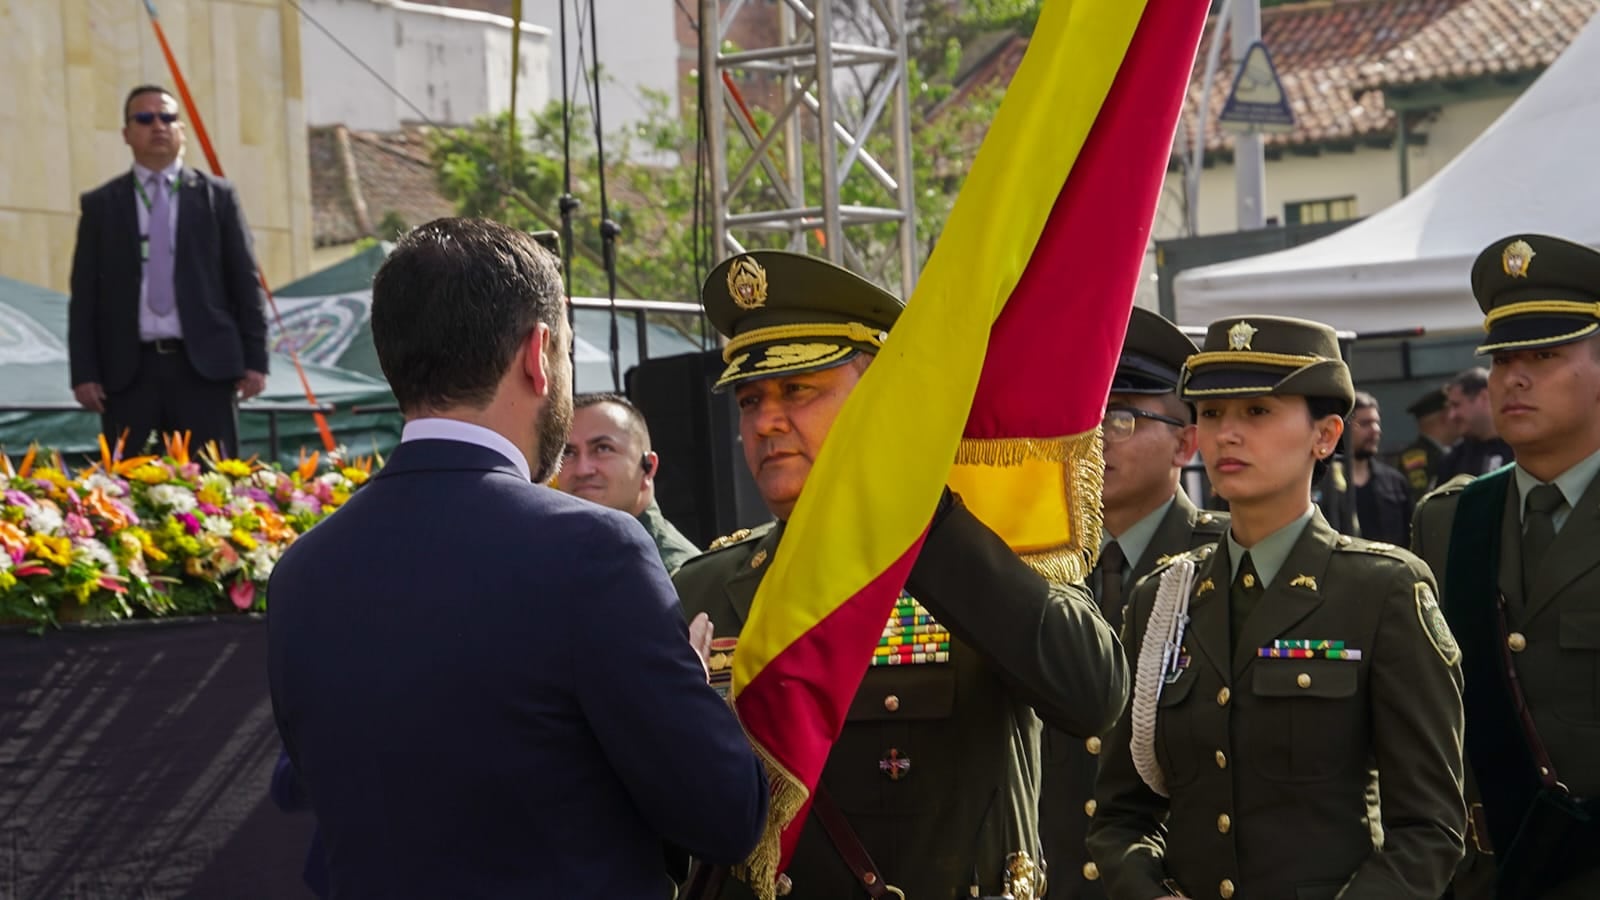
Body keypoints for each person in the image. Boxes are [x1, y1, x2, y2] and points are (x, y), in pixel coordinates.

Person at [267, 218, 768, 897]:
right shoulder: (594, 552)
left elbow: (307, 790)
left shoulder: (303, 573)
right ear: (539, 354)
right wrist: (694, 681)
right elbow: (725, 815)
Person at [672, 250, 1128, 900]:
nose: (766, 422)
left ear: (880, 399)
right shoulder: (706, 589)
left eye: (797, 390)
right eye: (750, 400)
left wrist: (929, 526)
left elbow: (1093, 694)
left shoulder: (983, 550)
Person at [1089, 315, 1465, 900]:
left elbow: (1430, 827)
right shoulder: (1164, 597)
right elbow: (1120, 813)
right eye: (1211, 414)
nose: (1226, 435)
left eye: (1257, 411)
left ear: (1326, 435)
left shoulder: (1380, 591)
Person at [1413, 233, 1600, 899]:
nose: (1513, 377)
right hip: (1490, 874)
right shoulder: (1452, 519)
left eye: (1544, 355)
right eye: (1501, 359)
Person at [1039, 307, 1226, 897]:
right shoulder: (1034, 567)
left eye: (1120, 418)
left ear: (1185, 444)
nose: (1094, 439)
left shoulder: (1226, 563)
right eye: (1084, 416)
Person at [68, 85, 269, 456]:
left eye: (168, 117)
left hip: (205, 369)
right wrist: (84, 372)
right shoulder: (102, 205)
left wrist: (255, 359)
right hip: (128, 372)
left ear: (182, 131)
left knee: (214, 492)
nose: (158, 125)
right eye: (144, 118)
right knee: (128, 493)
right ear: (127, 134)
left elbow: (244, 281)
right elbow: (84, 297)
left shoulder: (217, 197)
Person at [555, 392, 700, 574]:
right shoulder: (564, 557)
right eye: (568, 453)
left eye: (603, 448)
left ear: (648, 468)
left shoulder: (679, 574)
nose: (582, 469)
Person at [1346, 391, 1412, 546]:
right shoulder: (1328, 484)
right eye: (1365, 423)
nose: (1375, 430)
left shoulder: (1394, 482)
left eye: (1377, 422)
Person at [1435, 368, 1513, 482]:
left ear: (1484, 397)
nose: (1452, 415)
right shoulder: (1454, 458)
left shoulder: (1523, 447)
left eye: (1456, 405)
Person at [1398, 387, 1457, 500]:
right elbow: (1420, 497)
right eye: (1453, 410)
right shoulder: (1414, 456)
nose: (1457, 416)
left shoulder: (1460, 451)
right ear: (1444, 417)